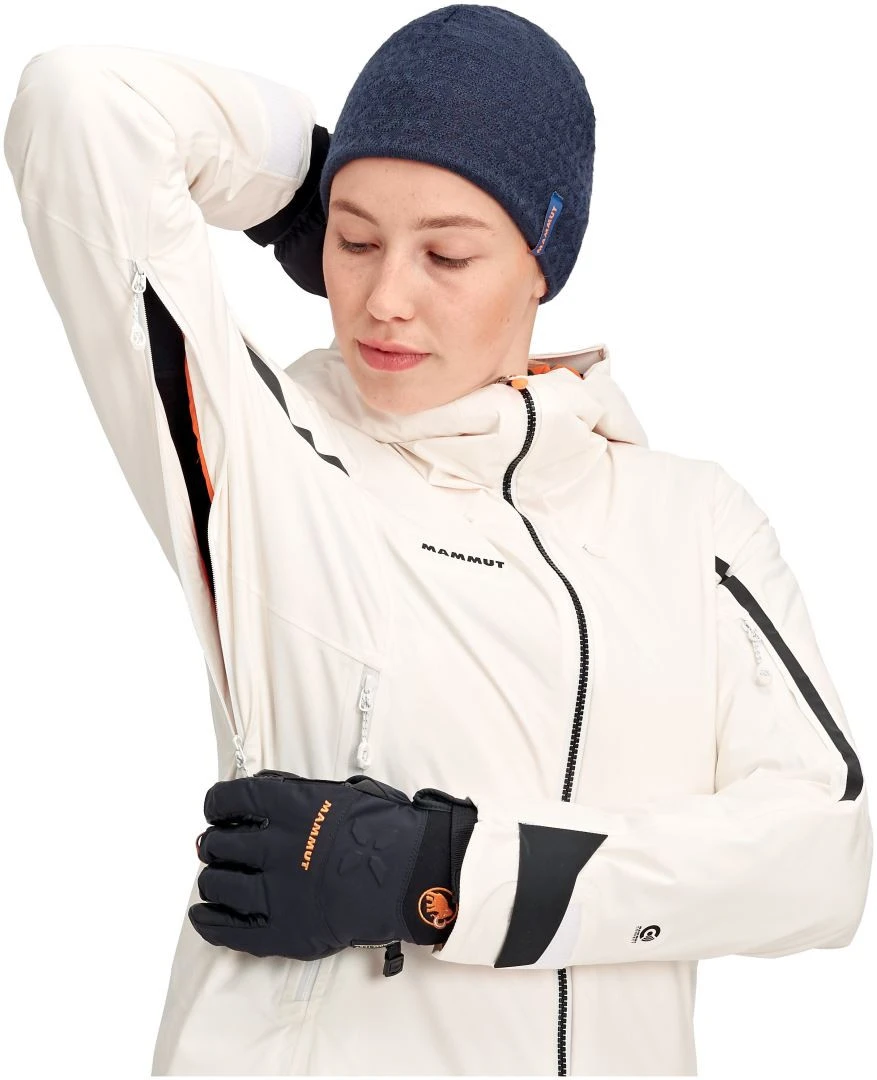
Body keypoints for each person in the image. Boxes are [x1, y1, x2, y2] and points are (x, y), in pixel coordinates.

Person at [3, 5, 872, 1076]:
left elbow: (820, 860)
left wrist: (444, 875)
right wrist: (304, 182)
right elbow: (81, 104)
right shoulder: (272, 463)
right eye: (355, 242)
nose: (384, 299)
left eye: (446, 254)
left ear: (542, 257)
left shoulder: (691, 521)